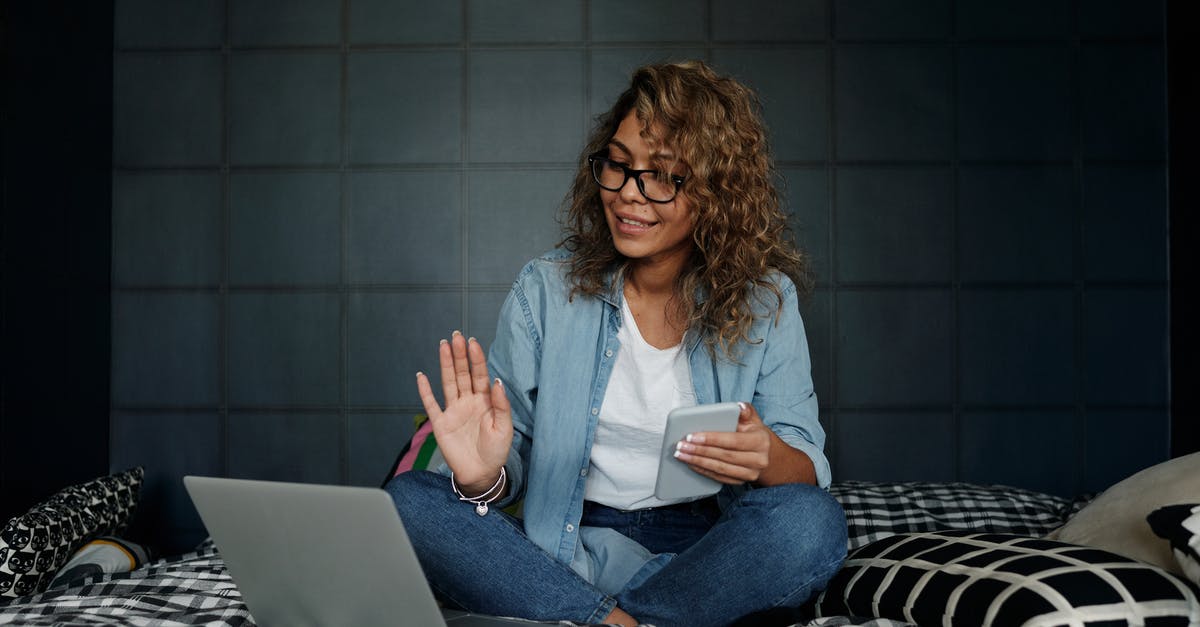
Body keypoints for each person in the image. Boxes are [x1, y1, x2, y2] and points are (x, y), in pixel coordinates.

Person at [386, 60, 847, 627]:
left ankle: (593, 618)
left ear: (716, 192)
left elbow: (805, 472)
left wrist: (768, 455)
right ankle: (617, 619)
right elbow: (511, 462)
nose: (630, 195)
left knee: (812, 523)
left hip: (702, 559)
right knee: (409, 503)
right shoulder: (546, 289)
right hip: (560, 547)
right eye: (620, 165)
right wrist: (485, 478)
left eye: (663, 176)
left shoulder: (764, 300)